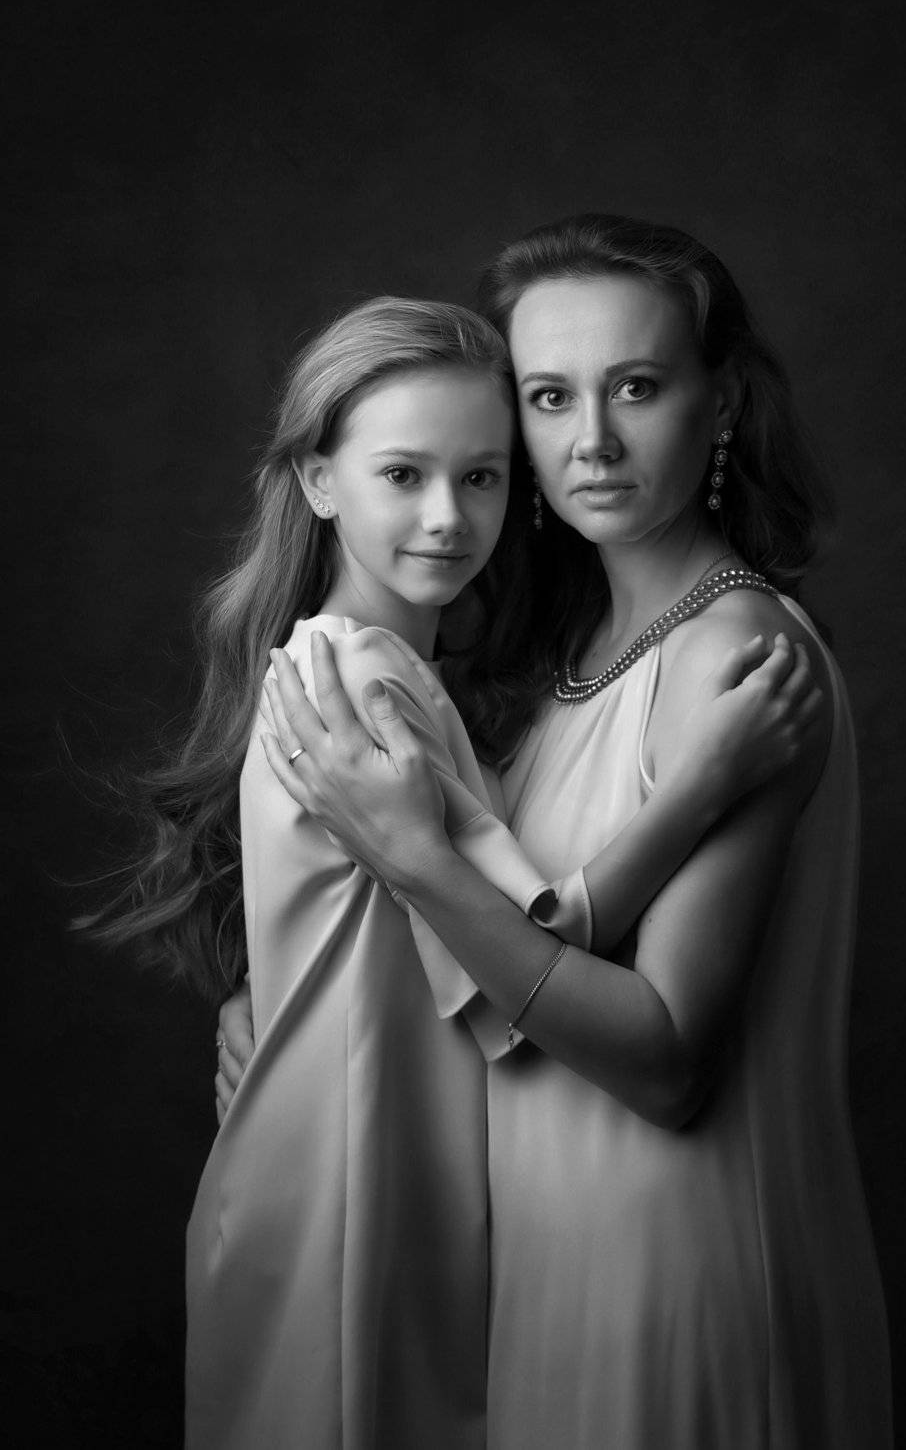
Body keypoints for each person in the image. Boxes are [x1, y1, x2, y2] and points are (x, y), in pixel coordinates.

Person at [82, 291, 821, 1450]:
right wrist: (706, 779)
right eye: (402, 475)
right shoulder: (369, 687)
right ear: (320, 481)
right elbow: (546, 932)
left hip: (366, 1159)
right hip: (354, 1182)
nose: (446, 517)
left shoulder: (383, 672)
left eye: (481, 477)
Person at [225, 216, 893, 1448]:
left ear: (722, 403)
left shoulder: (734, 655)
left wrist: (412, 863)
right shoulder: (556, 657)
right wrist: (273, 1011)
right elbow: (484, 932)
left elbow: (665, 1063)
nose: (590, 439)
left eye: (636, 387)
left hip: (677, 1273)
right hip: (541, 1274)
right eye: (548, 396)